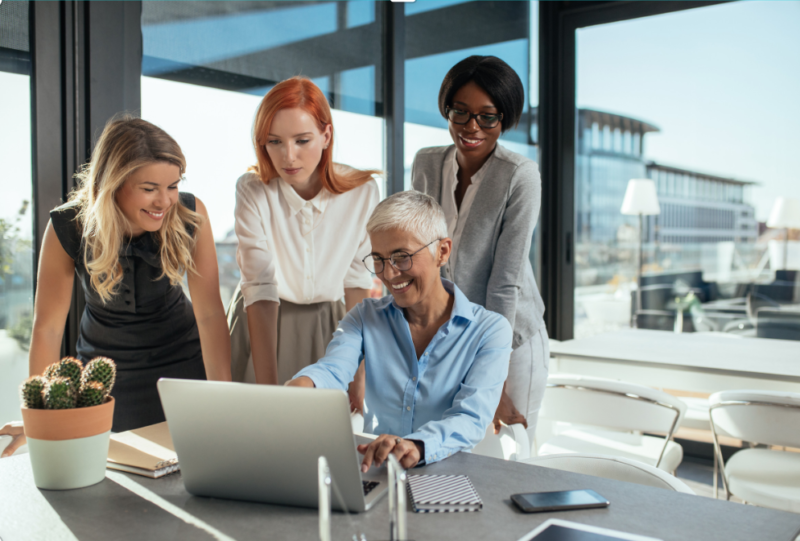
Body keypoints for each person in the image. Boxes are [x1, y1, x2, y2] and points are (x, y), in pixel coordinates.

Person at [1, 116, 231, 455]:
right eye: (150, 189)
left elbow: (210, 313)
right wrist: (40, 416)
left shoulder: (189, 213)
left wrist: (223, 397)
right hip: (103, 380)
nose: (165, 201)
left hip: (182, 367)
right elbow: (47, 328)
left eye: (173, 186)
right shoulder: (68, 225)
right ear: (113, 184)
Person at [287, 191, 512, 470]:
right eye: (378, 259)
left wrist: (417, 445)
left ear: (441, 251)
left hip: (447, 477)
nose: (389, 274)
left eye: (401, 257)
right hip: (376, 471)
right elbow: (333, 369)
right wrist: (300, 388)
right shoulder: (365, 317)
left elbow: (471, 417)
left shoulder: (490, 331)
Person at [411, 55, 549, 442]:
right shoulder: (425, 164)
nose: (472, 127)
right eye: (461, 113)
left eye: (488, 117)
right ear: (447, 111)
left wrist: (497, 382)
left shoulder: (520, 176)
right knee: (451, 450)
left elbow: (504, 282)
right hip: (450, 336)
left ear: (504, 119)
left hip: (511, 342)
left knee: (513, 455)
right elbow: (421, 255)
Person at [227, 76, 380, 397]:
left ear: (326, 135)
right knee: (255, 431)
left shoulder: (363, 192)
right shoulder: (252, 190)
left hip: (332, 328)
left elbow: (357, 285)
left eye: (301, 140)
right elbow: (260, 286)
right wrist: (266, 387)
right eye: (274, 142)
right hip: (260, 322)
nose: (288, 157)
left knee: (328, 434)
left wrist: (358, 376)